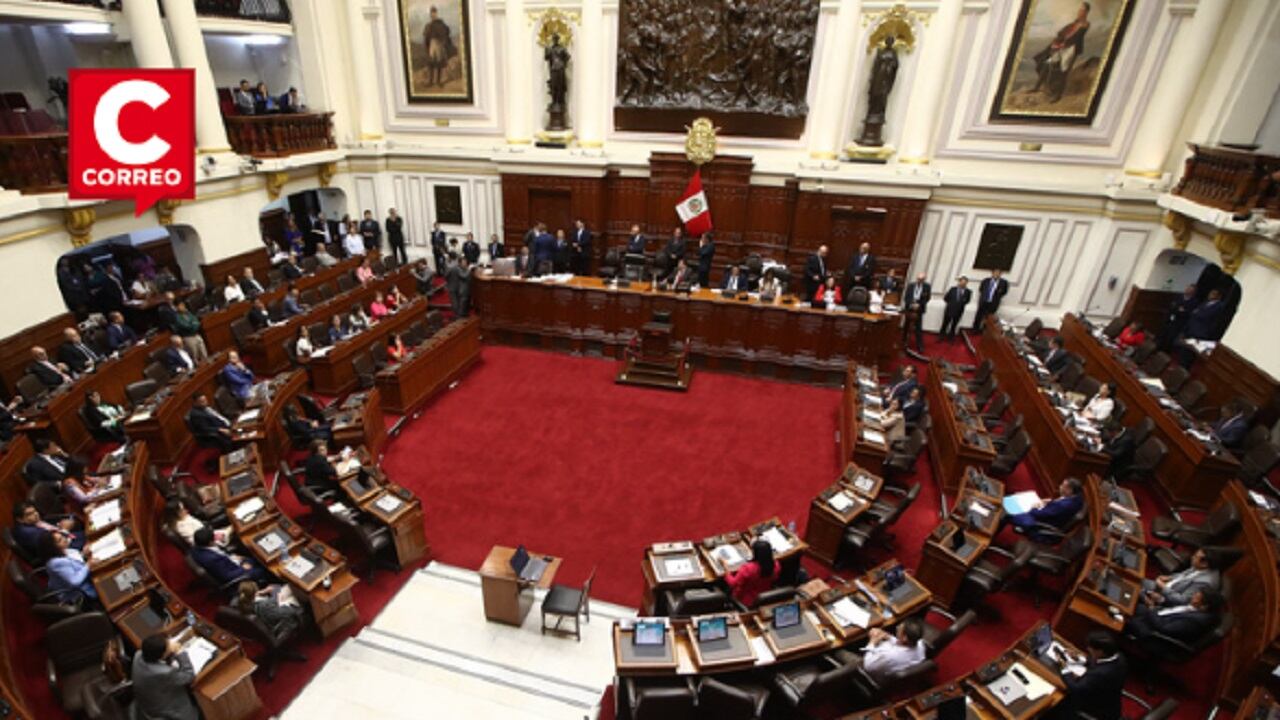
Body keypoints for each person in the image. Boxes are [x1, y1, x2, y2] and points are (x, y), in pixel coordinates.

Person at [1054, 631, 1126, 720]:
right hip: (1108, 700)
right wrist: (1079, 658)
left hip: (1095, 709)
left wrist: (1064, 668)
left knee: (1058, 699)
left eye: (1090, 648)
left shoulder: (1101, 673)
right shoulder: (1118, 657)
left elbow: (1076, 689)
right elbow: (1099, 662)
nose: (1088, 649)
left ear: (1100, 651)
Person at [1126, 588, 1223, 652]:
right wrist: (1161, 599)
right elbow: (1177, 607)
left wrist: (1151, 608)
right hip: (1158, 615)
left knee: (1125, 614)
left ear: (1204, 607)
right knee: (1133, 598)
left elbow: (1162, 628)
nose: (1192, 596)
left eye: (1196, 597)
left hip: (1154, 634)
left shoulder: (1193, 622)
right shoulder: (1196, 607)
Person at [1032, 2, 1090, 103]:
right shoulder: (1075, 22)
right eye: (1079, 10)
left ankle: (1057, 95)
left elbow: (1076, 37)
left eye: (1082, 10)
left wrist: (1064, 43)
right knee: (1047, 63)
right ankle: (1036, 87)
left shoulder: (1085, 24)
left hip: (1071, 49)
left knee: (1064, 71)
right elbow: (1064, 32)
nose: (1080, 12)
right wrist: (1059, 39)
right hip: (1061, 47)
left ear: (1086, 12)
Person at [132, 633, 199, 720]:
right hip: (169, 712)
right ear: (162, 655)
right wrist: (180, 652)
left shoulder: (138, 655)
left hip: (148, 704)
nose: (170, 645)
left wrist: (169, 652)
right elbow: (189, 675)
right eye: (168, 646)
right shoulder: (164, 673)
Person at [1005, 478, 1083, 542]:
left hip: (1038, 524)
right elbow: (1058, 505)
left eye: (1063, 485)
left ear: (1070, 490)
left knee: (1009, 511)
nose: (1060, 486)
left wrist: (1032, 507)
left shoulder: (1063, 505)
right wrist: (1050, 502)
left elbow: (1040, 514)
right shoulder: (1077, 498)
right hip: (1048, 516)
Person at [1141, 549, 1221, 610]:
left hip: (1167, 599)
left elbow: (1182, 601)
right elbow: (1184, 575)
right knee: (1139, 581)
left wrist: (1163, 587)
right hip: (1169, 587)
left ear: (1205, 564)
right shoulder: (1202, 567)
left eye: (1196, 557)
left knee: (1136, 587)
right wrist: (1170, 578)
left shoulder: (1203, 583)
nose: (1192, 557)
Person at [191, 526, 272, 586]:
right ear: (210, 543)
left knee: (254, 555)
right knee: (265, 568)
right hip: (238, 573)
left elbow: (221, 555)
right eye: (214, 539)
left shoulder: (196, 548)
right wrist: (243, 568)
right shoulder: (212, 559)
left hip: (231, 562)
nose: (215, 539)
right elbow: (227, 576)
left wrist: (233, 557)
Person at [39, 530, 96, 604]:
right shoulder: (56, 563)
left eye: (62, 536)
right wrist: (88, 565)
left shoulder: (63, 550)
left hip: (86, 580)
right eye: (60, 540)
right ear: (52, 547)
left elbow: (73, 564)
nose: (64, 539)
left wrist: (83, 554)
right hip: (80, 593)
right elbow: (74, 581)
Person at [862, 619, 926, 683]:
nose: (897, 627)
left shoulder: (890, 655)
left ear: (904, 638)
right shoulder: (920, 643)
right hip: (899, 665)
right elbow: (904, 644)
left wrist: (872, 642)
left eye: (899, 628)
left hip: (881, 676)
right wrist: (888, 636)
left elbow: (868, 666)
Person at [11, 501, 81, 559]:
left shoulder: (32, 522)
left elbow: (49, 529)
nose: (35, 514)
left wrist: (59, 526)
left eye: (35, 511)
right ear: (20, 519)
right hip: (64, 550)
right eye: (29, 514)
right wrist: (65, 529)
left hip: (66, 538)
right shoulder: (28, 533)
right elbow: (54, 546)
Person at [236, 581, 305, 638]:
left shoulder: (242, 602)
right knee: (294, 590)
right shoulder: (264, 605)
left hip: (271, 614)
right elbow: (289, 612)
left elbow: (275, 588)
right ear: (256, 592)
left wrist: (264, 591)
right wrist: (283, 603)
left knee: (280, 587)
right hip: (283, 624)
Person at [725, 539, 777, 608]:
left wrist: (726, 570)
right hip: (765, 596)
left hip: (745, 600)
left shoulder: (748, 569)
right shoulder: (776, 565)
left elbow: (733, 583)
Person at [163, 499, 229, 548]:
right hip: (209, 542)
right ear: (176, 514)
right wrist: (214, 536)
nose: (186, 510)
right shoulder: (181, 527)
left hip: (208, 531)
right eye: (182, 509)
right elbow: (196, 541)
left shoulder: (184, 516)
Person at [1158, 284, 1198, 350]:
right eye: (1188, 288)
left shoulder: (1194, 302)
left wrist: (1180, 310)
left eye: (1190, 290)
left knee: (1170, 338)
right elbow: (1172, 306)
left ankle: (1165, 351)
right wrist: (1179, 309)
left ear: (1193, 292)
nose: (1188, 290)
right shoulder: (1179, 296)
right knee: (1162, 334)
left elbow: (1188, 313)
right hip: (1169, 319)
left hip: (1178, 323)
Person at [902, 273, 931, 352]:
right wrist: (911, 304)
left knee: (918, 327)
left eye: (921, 280)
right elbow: (906, 297)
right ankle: (903, 341)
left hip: (919, 309)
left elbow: (927, 298)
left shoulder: (927, 287)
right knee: (906, 325)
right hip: (909, 308)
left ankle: (920, 345)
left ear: (924, 280)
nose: (919, 281)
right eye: (918, 279)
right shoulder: (911, 285)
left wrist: (919, 305)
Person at [940, 276, 971, 342]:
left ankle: (951, 338)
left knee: (954, 325)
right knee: (945, 324)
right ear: (959, 282)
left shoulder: (968, 292)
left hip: (959, 311)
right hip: (949, 309)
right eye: (962, 282)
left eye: (965, 283)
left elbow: (967, 301)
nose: (963, 284)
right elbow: (946, 298)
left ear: (966, 283)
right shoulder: (952, 289)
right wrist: (952, 303)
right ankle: (941, 336)